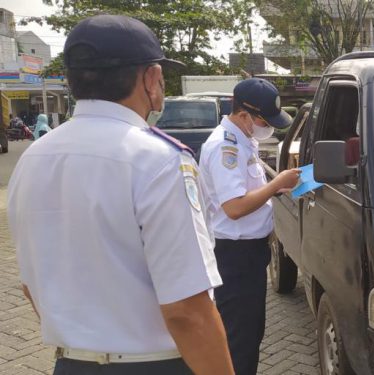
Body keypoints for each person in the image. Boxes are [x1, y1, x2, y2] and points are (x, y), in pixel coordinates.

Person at [7, 15, 233, 375]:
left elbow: (31, 286)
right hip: (155, 366)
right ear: (149, 79)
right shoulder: (159, 161)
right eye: (159, 74)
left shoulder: (33, 158)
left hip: (71, 363)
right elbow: (187, 311)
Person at [199, 78, 300, 375]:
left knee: (250, 332)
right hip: (235, 255)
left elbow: (245, 191)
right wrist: (276, 184)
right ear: (244, 115)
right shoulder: (225, 148)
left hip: (248, 254)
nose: (267, 126)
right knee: (239, 340)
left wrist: (275, 188)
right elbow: (234, 208)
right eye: (263, 120)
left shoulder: (243, 140)